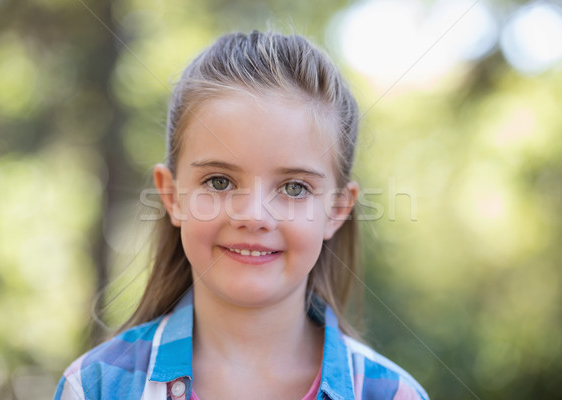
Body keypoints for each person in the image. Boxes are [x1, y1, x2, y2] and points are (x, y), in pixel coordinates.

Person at [54, 31, 429, 400]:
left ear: (337, 209)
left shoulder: (392, 394)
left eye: (294, 188)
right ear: (172, 195)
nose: (253, 216)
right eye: (219, 182)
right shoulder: (94, 387)